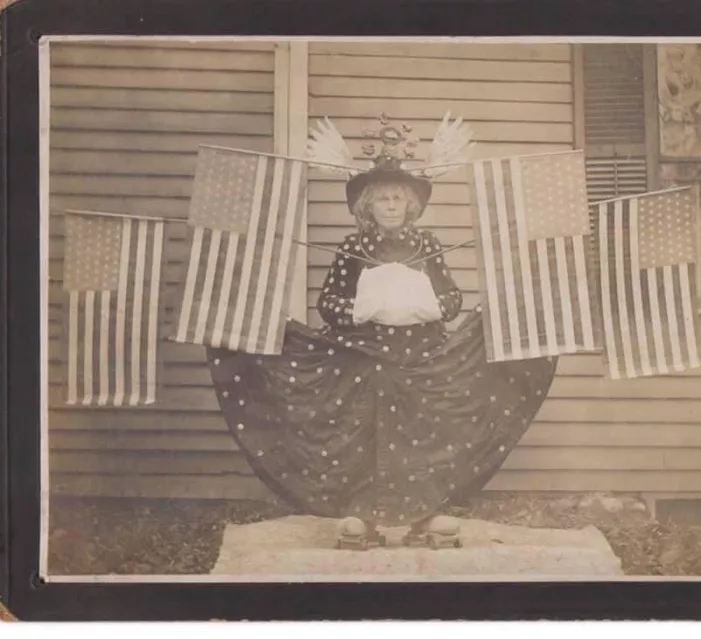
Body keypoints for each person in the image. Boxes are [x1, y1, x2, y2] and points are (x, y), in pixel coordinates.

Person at [206, 133, 558, 549]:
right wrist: (362, 309)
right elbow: (328, 305)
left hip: (422, 355)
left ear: (411, 204)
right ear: (367, 206)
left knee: (425, 432)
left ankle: (426, 514)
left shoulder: (427, 245)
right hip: (365, 354)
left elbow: (452, 301)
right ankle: (361, 516)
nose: (391, 206)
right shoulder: (352, 247)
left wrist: (421, 303)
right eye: (382, 199)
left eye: (398, 199)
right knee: (363, 435)